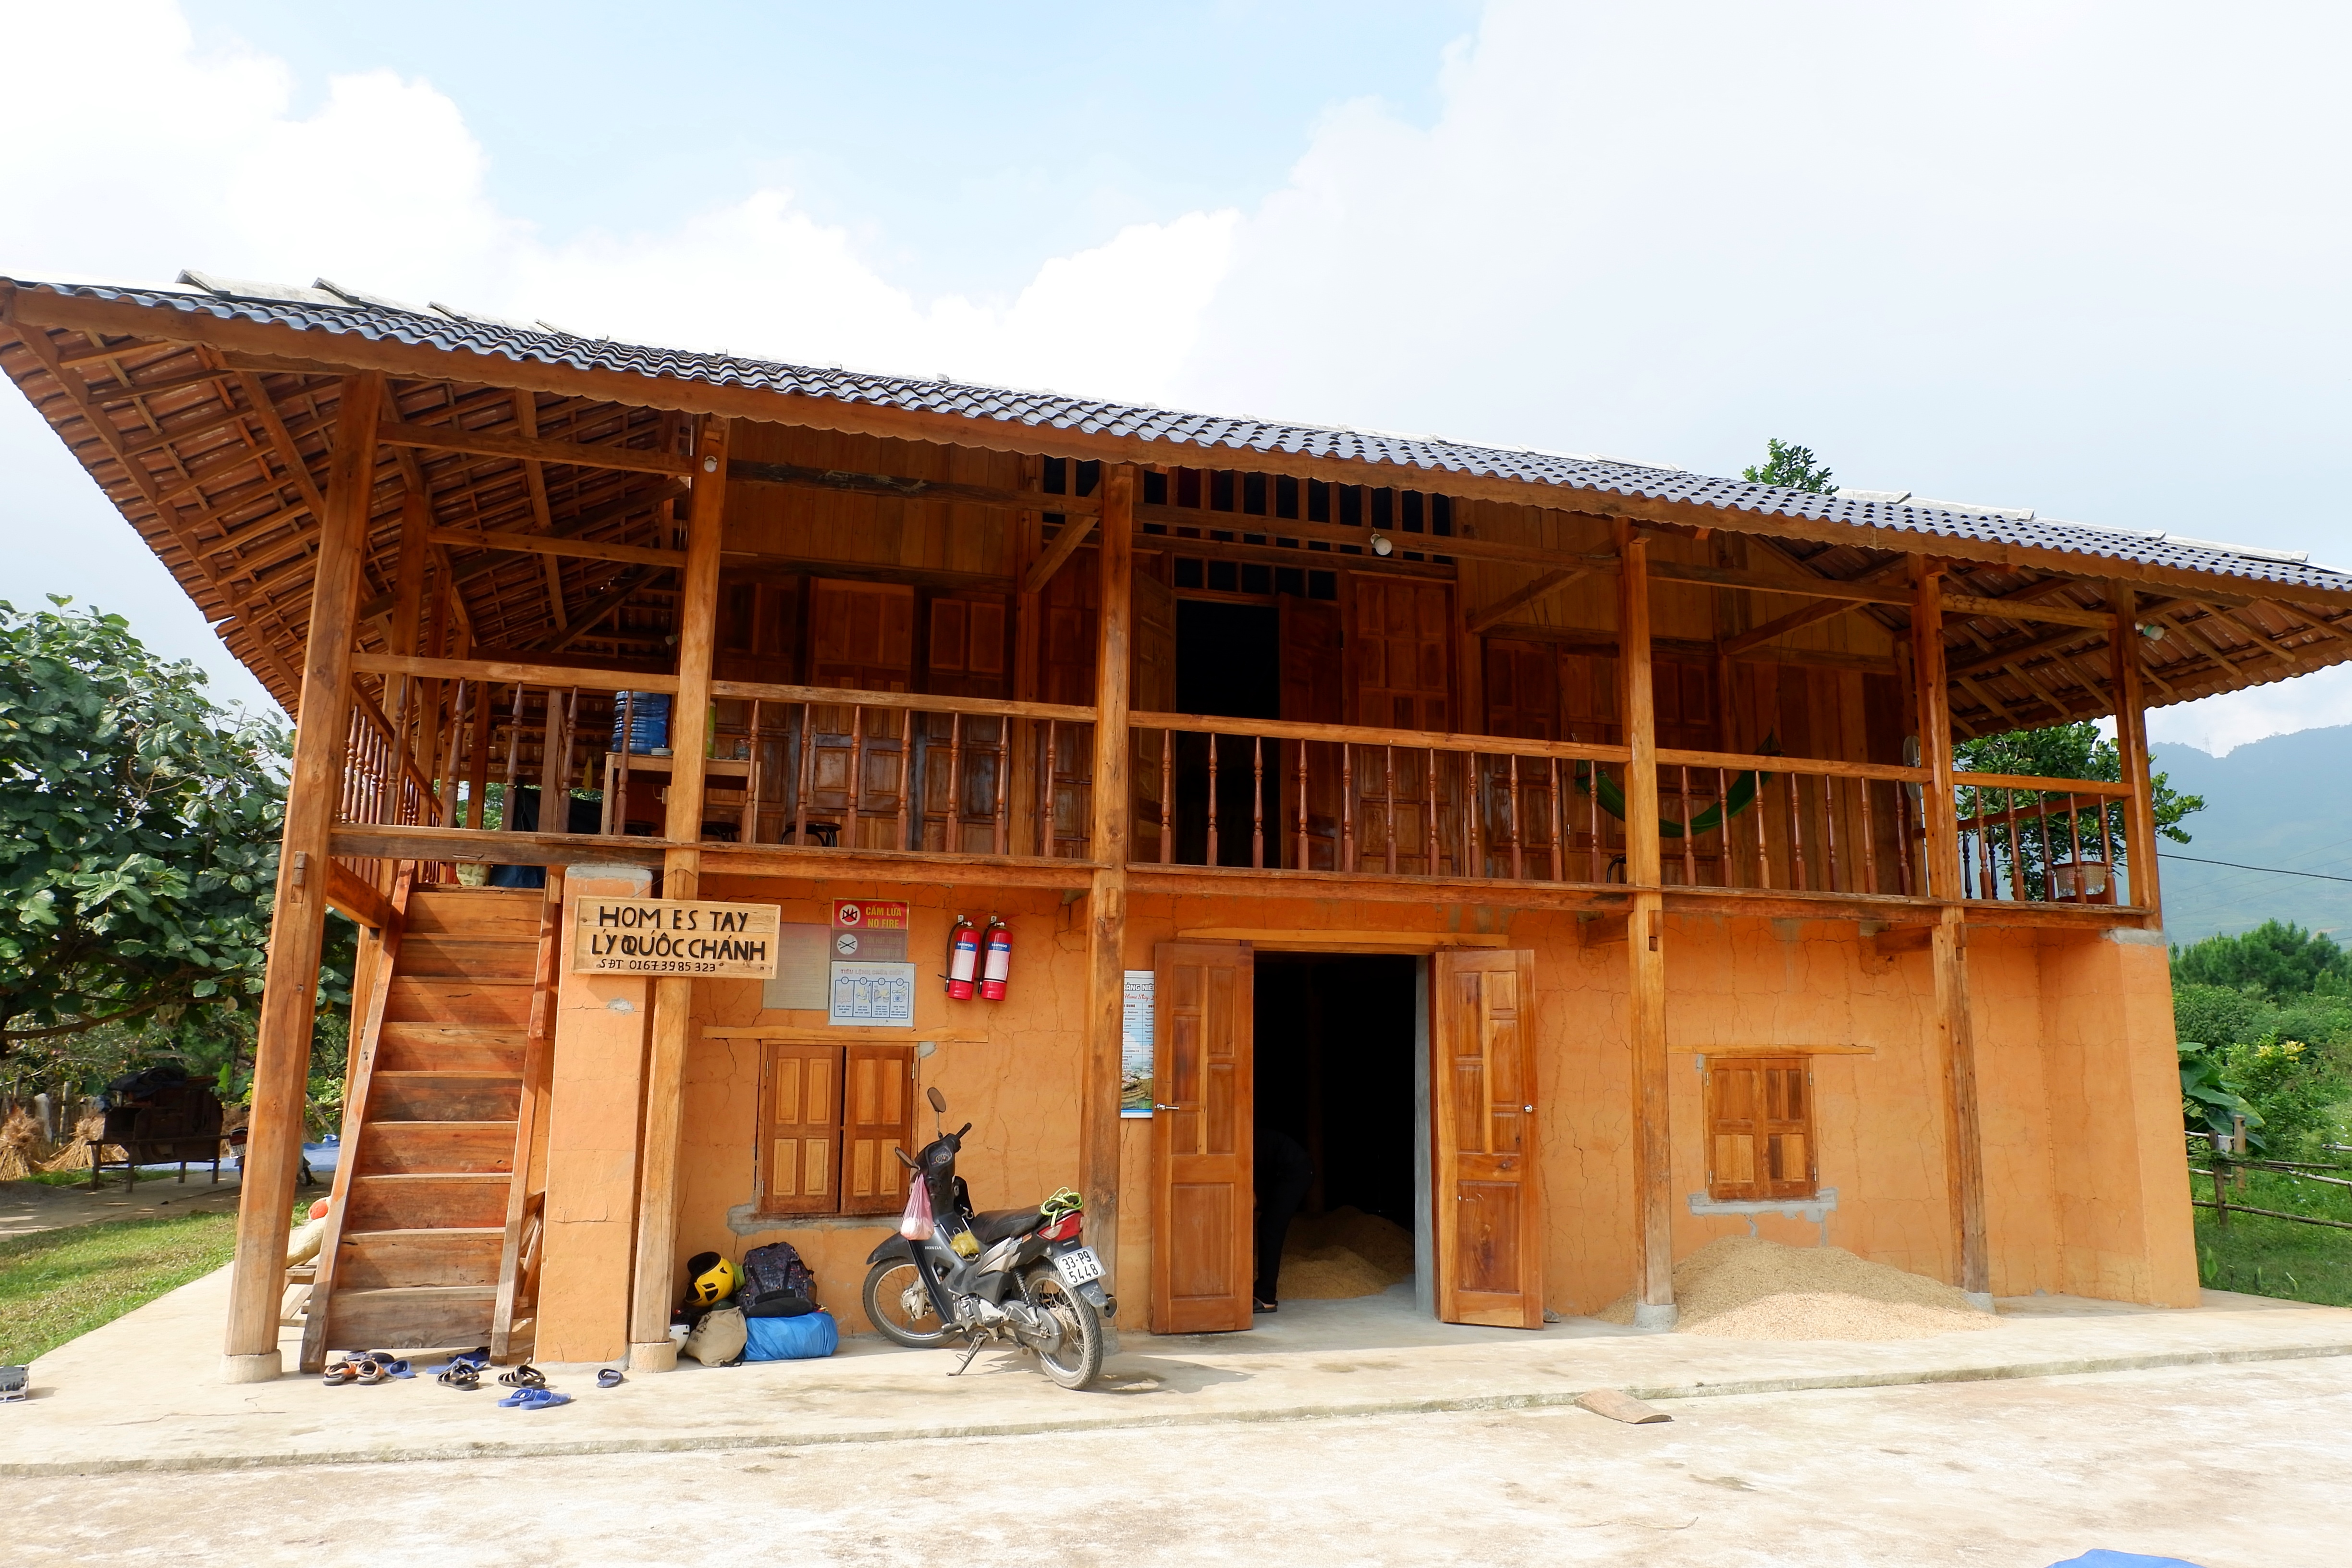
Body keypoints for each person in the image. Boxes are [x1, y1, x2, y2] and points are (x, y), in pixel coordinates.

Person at [1252, 1125, 1314, 1313]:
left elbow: (1251, 1199)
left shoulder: (1238, 1141)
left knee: (1270, 1229)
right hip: (1282, 1171)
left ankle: (1265, 1298)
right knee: (1267, 1226)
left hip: (1294, 1171)